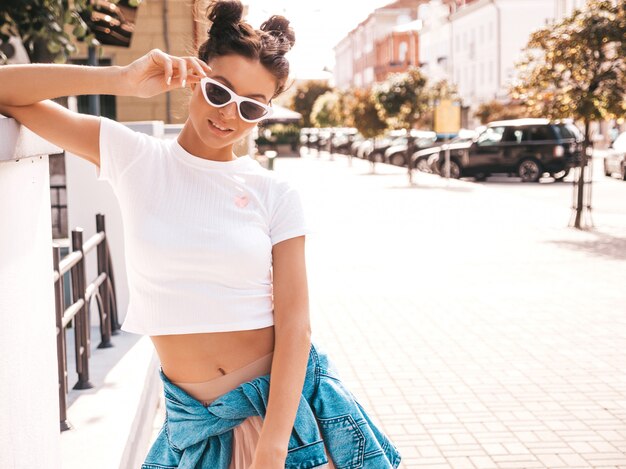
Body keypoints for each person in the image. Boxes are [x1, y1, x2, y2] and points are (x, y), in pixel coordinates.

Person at [0, 1, 402, 467]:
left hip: (281, 422)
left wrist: (273, 445)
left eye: (250, 106)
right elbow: (6, 89)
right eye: (219, 92)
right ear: (196, 77)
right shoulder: (135, 158)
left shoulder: (274, 192)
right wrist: (121, 79)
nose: (229, 114)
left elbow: (296, 326)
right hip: (192, 427)